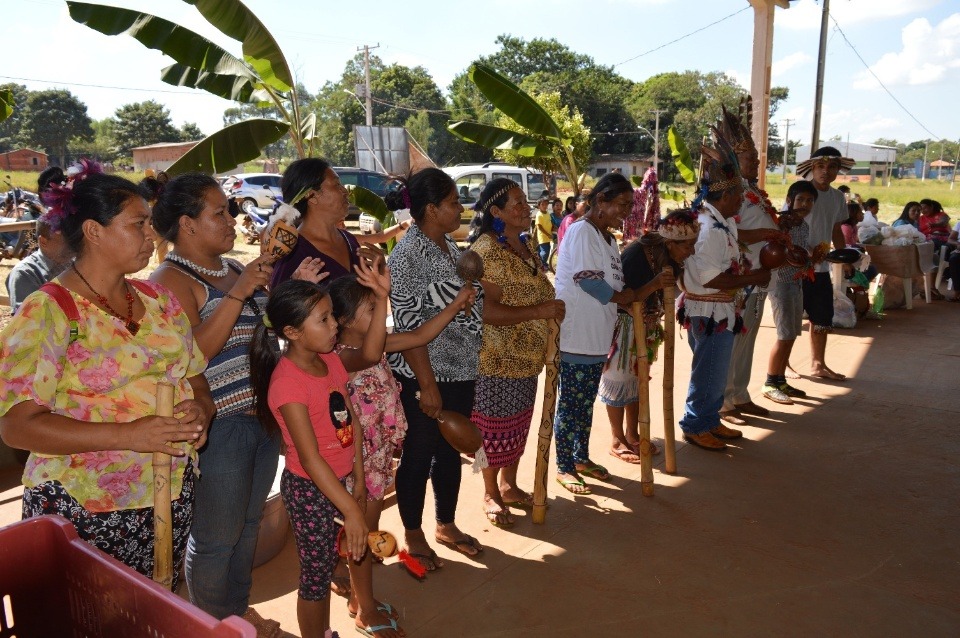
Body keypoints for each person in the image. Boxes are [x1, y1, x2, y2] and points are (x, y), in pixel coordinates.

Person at [0, 169, 214, 591]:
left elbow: (197, 380)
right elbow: (17, 426)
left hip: (168, 495)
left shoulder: (159, 301)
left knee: (153, 609)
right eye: (138, 224)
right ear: (94, 231)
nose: (151, 234)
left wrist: (200, 411)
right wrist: (129, 434)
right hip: (85, 507)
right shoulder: (48, 311)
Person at [146, 173, 282, 636]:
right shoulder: (168, 280)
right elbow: (192, 356)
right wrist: (242, 290)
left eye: (229, 210)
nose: (232, 220)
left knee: (247, 528)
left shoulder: (229, 269)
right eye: (219, 213)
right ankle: (209, 626)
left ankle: (236, 615)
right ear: (187, 224)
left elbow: (261, 334)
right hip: (217, 427)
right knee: (215, 541)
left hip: (260, 418)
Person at [329, 260, 473, 634]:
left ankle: (359, 596)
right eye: (371, 310)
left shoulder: (372, 344)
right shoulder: (343, 356)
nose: (380, 314)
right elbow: (371, 354)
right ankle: (363, 605)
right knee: (362, 528)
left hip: (375, 460)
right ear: (343, 321)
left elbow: (420, 335)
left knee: (364, 528)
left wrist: (456, 305)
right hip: (358, 463)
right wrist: (382, 293)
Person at [249, 280, 369, 638]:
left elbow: (351, 421)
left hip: (340, 481)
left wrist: (358, 477)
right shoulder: (287, 383)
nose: (335, 324)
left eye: (332, 315)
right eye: (324, 319)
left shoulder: (330, 360)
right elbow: (310, 457)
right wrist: (349, 509)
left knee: (329, 560)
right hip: (309, 489)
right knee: (316, 576)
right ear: (292, 332)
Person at [384, 168, 486, 571]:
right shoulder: (407, 256)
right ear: (431, 209)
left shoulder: (449, 246)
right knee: (420, 453)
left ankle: (446, 524)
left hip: (461, 368)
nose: (461, 207)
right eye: (454, 202)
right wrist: (427, 386)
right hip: (423, 373)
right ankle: (413, 533)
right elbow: (408, 328)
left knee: (450, 452)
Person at [468, 178, 565, 525]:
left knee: (517, 428)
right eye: (518, 204)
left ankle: (509, 485)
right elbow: (485, 311)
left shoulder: (522, 243)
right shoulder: (486, 251)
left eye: (526, 201)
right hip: (496, 360)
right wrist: (539, 312)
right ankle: (490, 492)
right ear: (496, 212)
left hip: (526, 360)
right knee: (492, 431)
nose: (526, 209)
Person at [552, 173, 649, 494]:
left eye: (629, 205)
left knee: (584, 403)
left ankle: (580, 458)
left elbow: (611, 283)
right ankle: (564, 466)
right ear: (601, 201)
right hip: (577, 334)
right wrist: (624, 298)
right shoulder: (582, 232)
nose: (626, 211)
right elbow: (589, 281)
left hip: (597, 337)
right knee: (571, 404)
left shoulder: (607, 239)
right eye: (621, 204)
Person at [675, 144, 771, 451]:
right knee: (709, 371)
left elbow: (734, 244)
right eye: (739, 197)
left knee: (715, 371)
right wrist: (754, 277)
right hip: (708, 311)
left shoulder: (723, 221)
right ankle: (694, 425)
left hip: (719, 310)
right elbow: (711, 278)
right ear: (726, 196)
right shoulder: (709, 227)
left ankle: (709, 419)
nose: (742, 201)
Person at [599, 211, 698, 464]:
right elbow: (622, 296)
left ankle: (633, 433)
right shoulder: (635, 256)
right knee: (619, 380)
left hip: (646, 326)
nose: (691, 251)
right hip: (624, 325)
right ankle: (617, 438)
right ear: (669, 244)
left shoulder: (669, 259)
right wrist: (653, 285)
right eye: (687, 245)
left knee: (638, 380)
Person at [714, 102, 785, 427]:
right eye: (751, 158)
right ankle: (725, 401)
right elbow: (730, 229)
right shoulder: (728, 193)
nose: (757, 162)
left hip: (757, 278)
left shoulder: (750, 190)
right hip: (739, 278)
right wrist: (768, 231)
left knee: (747, 341)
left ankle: (739, 395)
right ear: (734, 158)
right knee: (733, 342)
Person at [794, 146, 855, 381]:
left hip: (821, 269)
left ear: (838, 170)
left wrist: (843, 256)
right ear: (812, 167)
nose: (825, 171)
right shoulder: (802, 193)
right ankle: (783, 366)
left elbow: (835, 228)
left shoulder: (838, 197)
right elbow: (788, 223)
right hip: (795, 267)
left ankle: (818, 364)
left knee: (822, 317)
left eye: (831, 167)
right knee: (789, 320)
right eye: (820, 166)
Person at [762, 181, 817, 404]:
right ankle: (769, 383)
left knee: (792, 333)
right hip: (780, 284)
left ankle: (780, 379)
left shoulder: (804, 226)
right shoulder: (781, 223)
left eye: (809, 201)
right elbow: (775, 252)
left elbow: (801, 253)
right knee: (784, 334)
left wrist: (812, 257)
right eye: (800, 199)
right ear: (789, 200)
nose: (804, 204)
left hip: (796, 283)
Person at [270, 158, 360, 287]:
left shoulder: (350, 241)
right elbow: (278, 304)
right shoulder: (292, 252)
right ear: (312, 196)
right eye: (336, 185)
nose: (345, 191)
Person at [6, 216, 74, 313]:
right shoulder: (25, 274)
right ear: (43, 242)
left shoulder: (74, 264)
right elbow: (28, 321)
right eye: (66, 241)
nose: (73, 246)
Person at [534, 195, 553, 268]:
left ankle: (541, 262)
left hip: (548, 236)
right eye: (543, 204)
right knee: (545, 252)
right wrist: (547, 234)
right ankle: (542, 264)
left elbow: (549, 222)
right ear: (539, 206)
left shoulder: (547, 213)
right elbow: (539, 227)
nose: (545, 206)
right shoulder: (539, 215)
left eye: (546, 204)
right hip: (543, 237)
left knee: (544, 250)